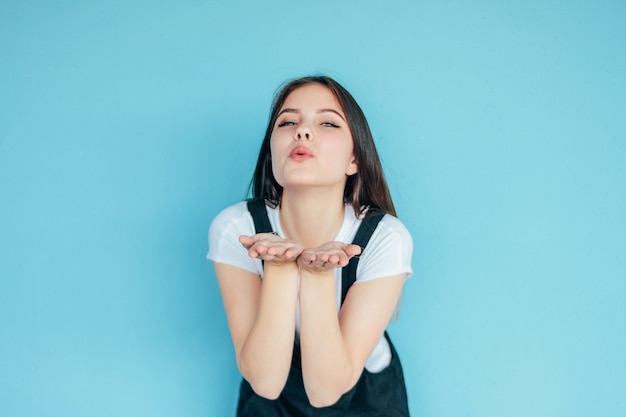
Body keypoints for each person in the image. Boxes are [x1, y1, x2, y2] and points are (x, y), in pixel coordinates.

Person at [207, 75, 413, 416]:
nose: (302, 131)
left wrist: (318, 278)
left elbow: (326, 390)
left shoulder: (384, 237)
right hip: (273, 389)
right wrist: (279, 268)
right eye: (287, 121)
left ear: (354, 161)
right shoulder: (236, 228)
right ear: (271, 152)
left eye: (328, 123)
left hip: (362, 390)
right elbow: (266, 383)